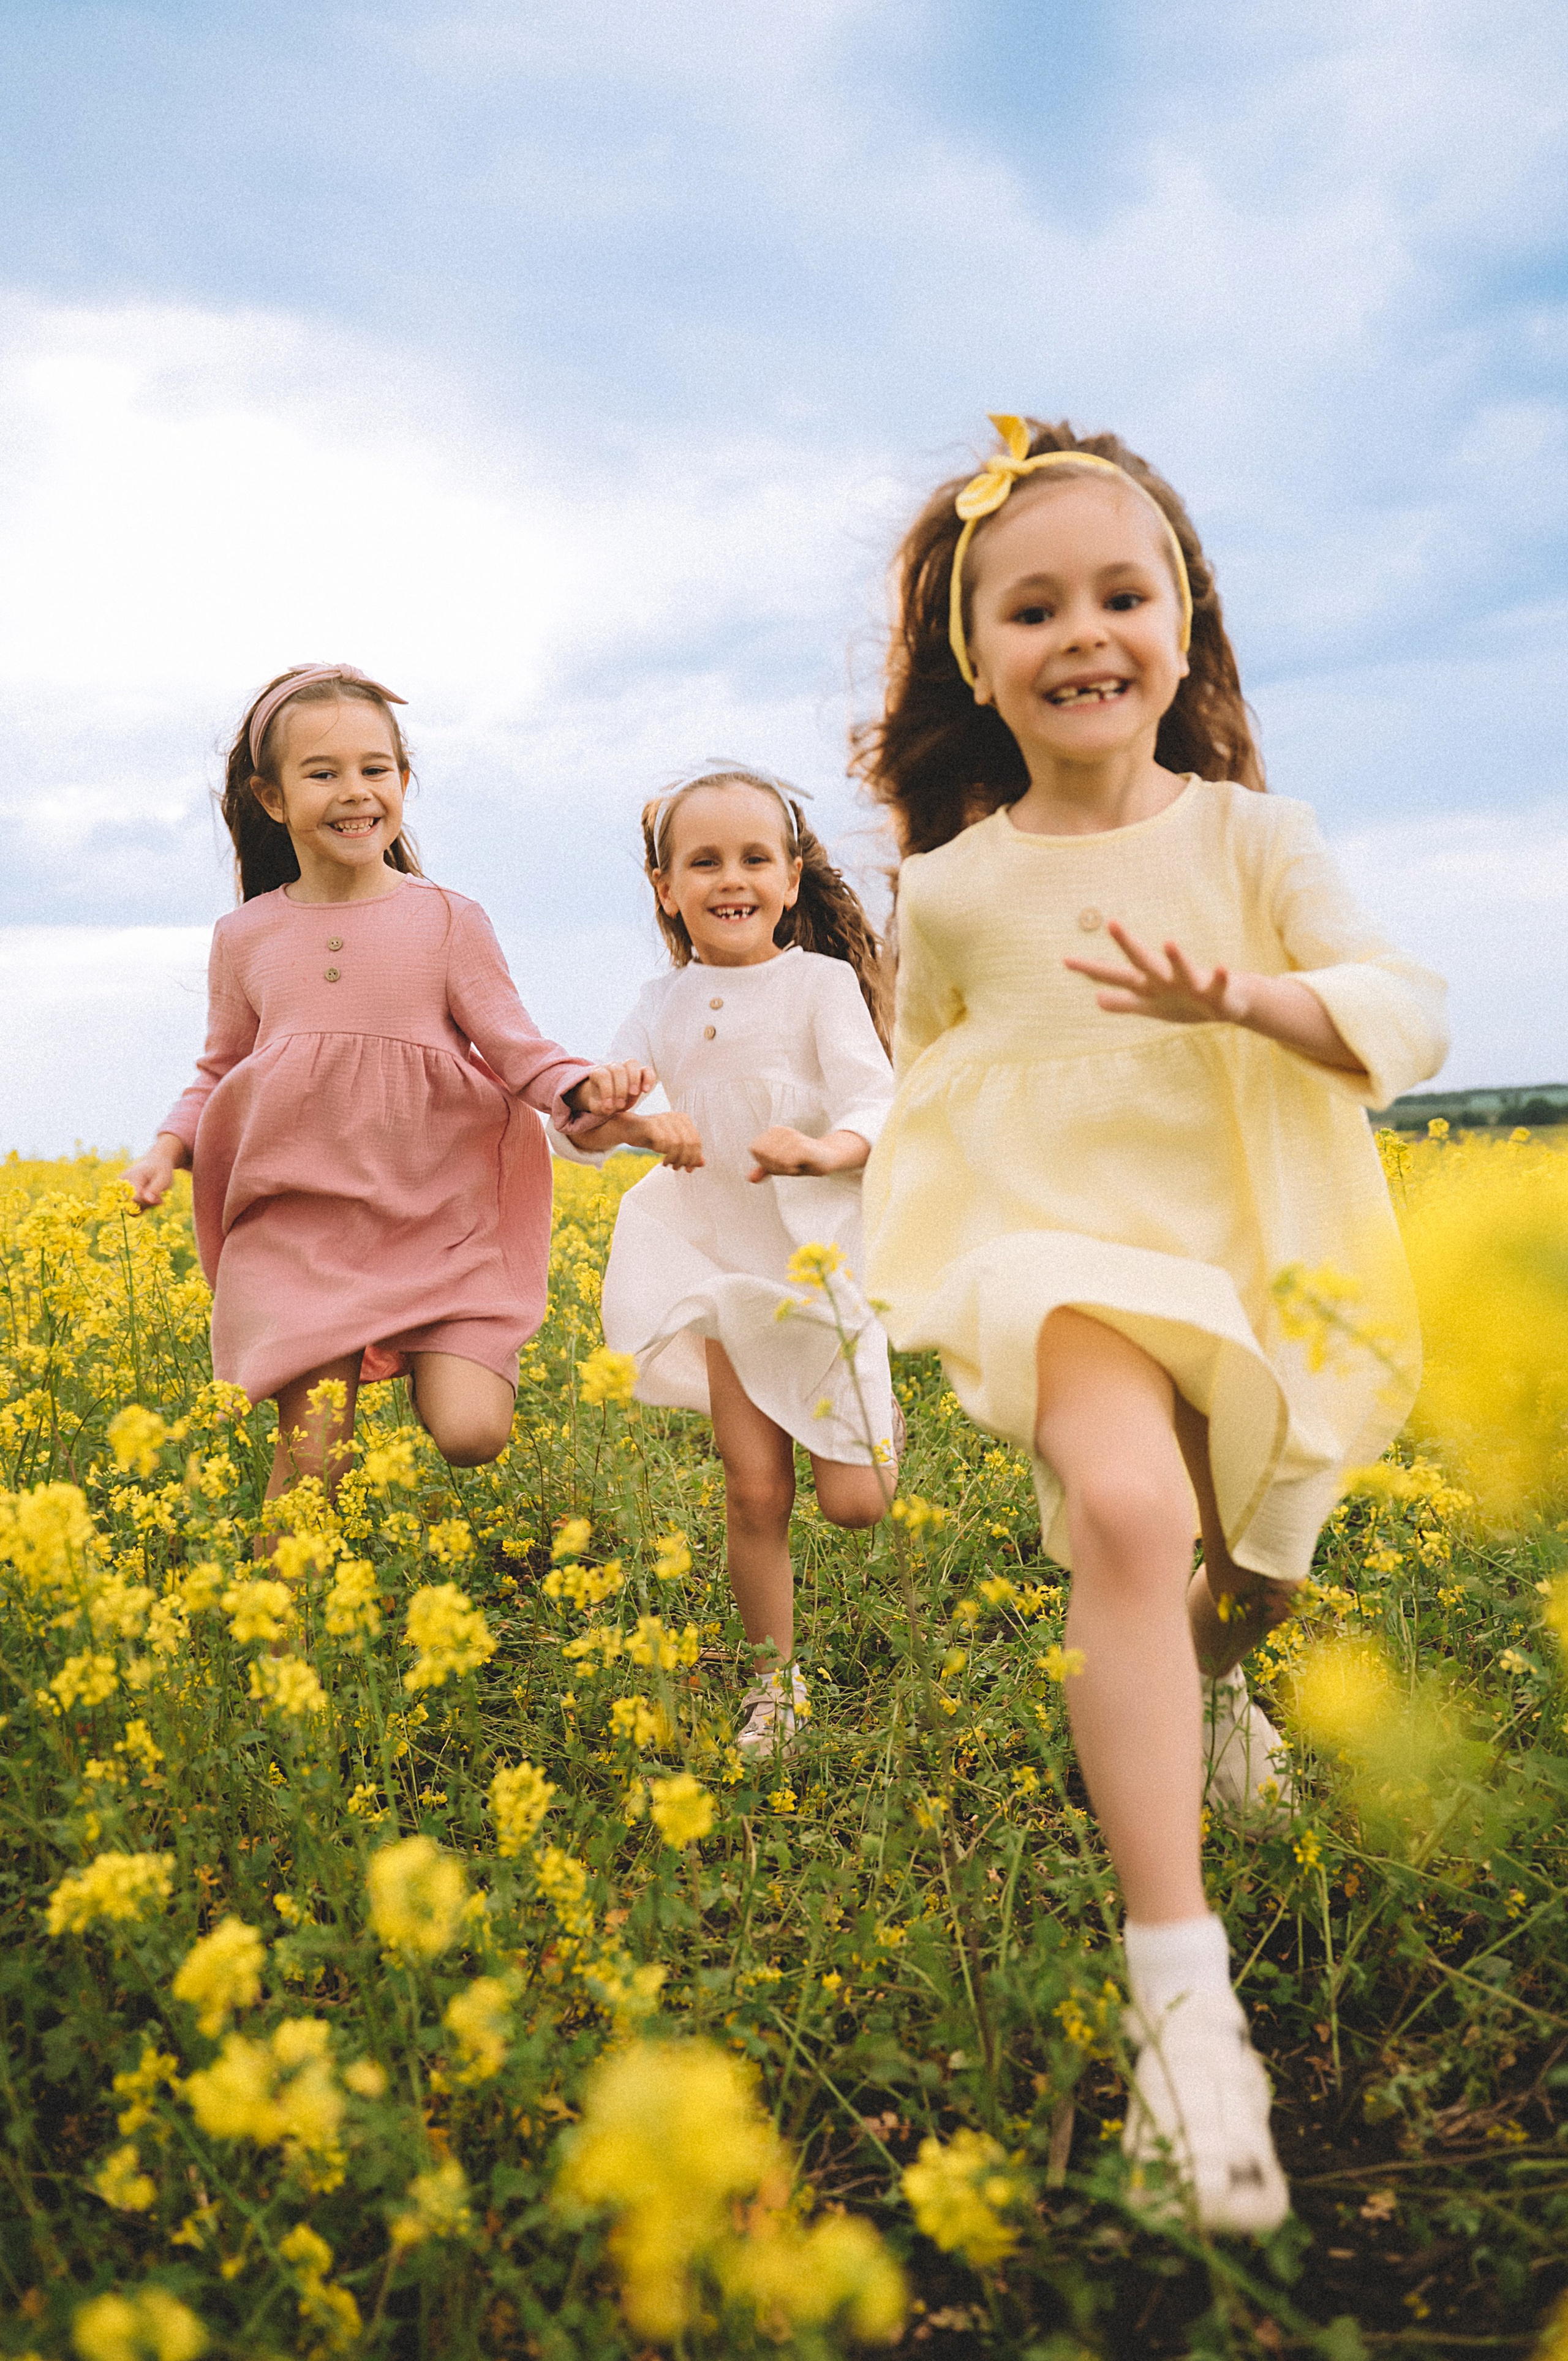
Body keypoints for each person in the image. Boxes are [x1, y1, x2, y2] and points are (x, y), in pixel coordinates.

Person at [855, 418, 1447, 2232]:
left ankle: (1223, 1668)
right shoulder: (948, 890)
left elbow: (1404, 1007)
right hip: (1059, 1261)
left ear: (1184, 629)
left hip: (1261, 1266)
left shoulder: (1258, 837)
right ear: (976, 660)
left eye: (1124, 593)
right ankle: (1184, 2007)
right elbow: (933, 1080)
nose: (1082, 632)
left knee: (1238, 1580)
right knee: (1126, 1516)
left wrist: (1253, 999)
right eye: (1031, 607)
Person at [123, 663, 647, 1507]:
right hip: (304, 1230)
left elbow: (519, 1048)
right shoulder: (246, 936)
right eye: (322, 773)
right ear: (272, 799)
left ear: (404, 783)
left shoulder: (447, 920)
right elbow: (221, 1069)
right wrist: (165, 1146)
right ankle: (283, 1638)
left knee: (474, 1432)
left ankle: (421, 1336)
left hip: (436, 1217)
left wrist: (583, 1091)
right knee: (312, 1469)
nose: (354, 792)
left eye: (375, 770)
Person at [559, 769, 898, 1760]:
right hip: (721, 1271)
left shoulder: (818, 985)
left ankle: (878, 1416)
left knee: (857, 1503)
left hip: (814, 1269)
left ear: (792, 880)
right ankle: (773, 1687)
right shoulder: (660, 1003)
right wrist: (621, 1105)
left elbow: (875, 1103)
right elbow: (575, 1127)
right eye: (703, 861)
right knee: (755, 1492)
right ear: (666, 888)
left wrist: (823, 1149)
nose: (730, 878)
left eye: (754, 858)